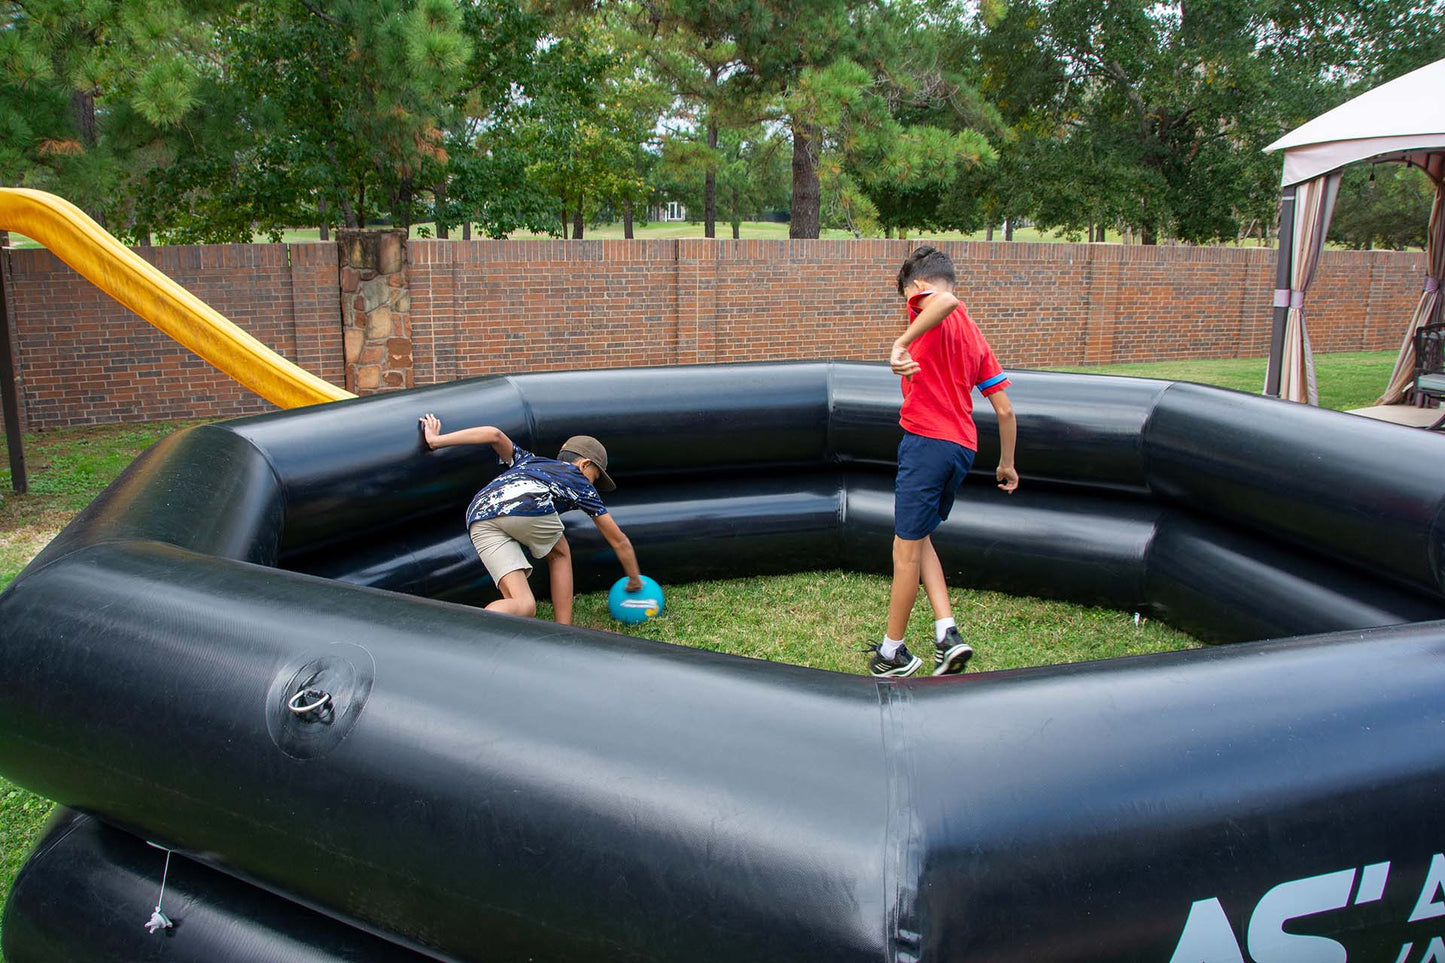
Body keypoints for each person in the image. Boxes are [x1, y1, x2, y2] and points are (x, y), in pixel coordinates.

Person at [865, 246, 1019, 678]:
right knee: (921, 535)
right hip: (961, 450)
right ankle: (947, 633)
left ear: (917, 288)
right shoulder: (975, 337)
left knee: (903, 549)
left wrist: (900, 342)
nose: (910, 313)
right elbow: (1005, 410)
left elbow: (947, 301)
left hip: (926, 443)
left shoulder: (930, 302)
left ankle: (892, 653)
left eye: (909, 304)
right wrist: (1006, 464)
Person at [419, 413, 642, 624]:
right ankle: (563, 630)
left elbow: (494, 434)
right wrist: (634, 579)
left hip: (479, 513)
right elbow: (618, 540)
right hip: (527, 504)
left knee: (525, 606)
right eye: (595, 478)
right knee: (560, 554)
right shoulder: (579, 481)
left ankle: (476, 626)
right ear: (585, 465)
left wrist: (436, 440)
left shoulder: (528, 461)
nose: (593, 486)